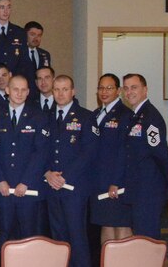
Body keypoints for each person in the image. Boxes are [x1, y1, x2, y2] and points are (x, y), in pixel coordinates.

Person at [0, 75, 50, 245]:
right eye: (15, 89)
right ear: (7, 90)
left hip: (29, 189)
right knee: (6, 235)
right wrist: (0, 180)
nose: (19, 93)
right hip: (4, 189)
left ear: (29, 92)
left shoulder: (38, 117)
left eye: (24, 89)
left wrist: (26, 182)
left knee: (28, 237)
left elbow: (41, 154)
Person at [45, 75, 96, 267]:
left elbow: (89, 153)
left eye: (65, 89)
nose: (60, 93)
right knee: (58, 237)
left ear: (73, 92)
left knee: (77, 236)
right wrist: (47, 173)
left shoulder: (85, 116)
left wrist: (64, 178)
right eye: (56, 89)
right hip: (51, 186)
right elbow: (41, 150)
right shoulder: (47, 117)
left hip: (74, 187)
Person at [117, 74, 168, 239]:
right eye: (126, 88)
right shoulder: (136, 116)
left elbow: (161, 154)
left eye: (134, 87)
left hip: (149, 190)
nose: (129, 92)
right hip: (138, 188)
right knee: (141, 237)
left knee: (147, 239)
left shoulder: (150, 117)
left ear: (145, 90)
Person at [89, 74, 133, 243]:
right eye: (101, 88)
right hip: (98, 181)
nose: (104, 92)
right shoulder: (95, 114)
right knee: (106, 224)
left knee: (121, 225)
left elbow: (124, 151)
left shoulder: (125, 115)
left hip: (116, 182)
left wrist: (117, 181)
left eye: (109, 88)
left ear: (118, 91)